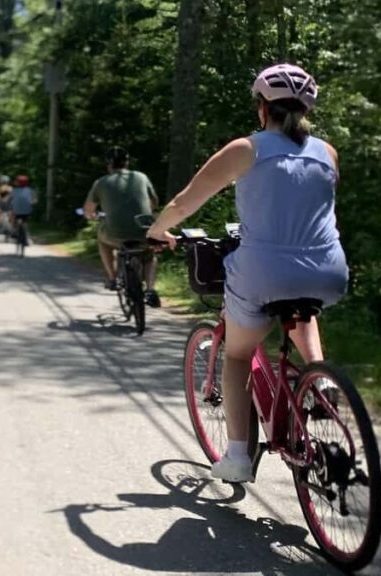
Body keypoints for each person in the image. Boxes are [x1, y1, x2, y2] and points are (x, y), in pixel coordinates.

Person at [146, 63, 348, 482]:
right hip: (329, 268)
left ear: (262, 107)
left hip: (263, 270)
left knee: (237, 354)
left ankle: (238, 456)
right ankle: (318, 376)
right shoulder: (327, 152)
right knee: (302, 307)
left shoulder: (246, 149)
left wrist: (158, 230)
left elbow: (187, 201)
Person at [84, 146, 161, 307]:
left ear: (109, 164)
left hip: (114, 234)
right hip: (143, 231)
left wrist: (92, 216)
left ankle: (112, 278)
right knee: (149, 254)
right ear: (127, 162)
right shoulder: (141, 177)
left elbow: (88, 210)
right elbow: (154, 202)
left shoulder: (101, 182)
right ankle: (151, 289)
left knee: (102, 241)